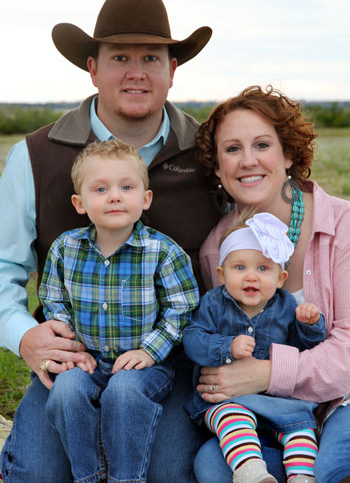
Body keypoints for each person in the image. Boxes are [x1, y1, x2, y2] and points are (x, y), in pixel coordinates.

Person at [0, 0, 221, 483]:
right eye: (119, 56)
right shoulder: (34, 157)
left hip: (172, 360)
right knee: (35, 474)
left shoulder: (211, 154)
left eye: (152, 56)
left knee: (168, 473)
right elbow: (3, 268)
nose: (137, 71)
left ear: (173, 69)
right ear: (93, 67)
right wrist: (25, 337)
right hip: (71, 358)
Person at [191, 85, 350, 482]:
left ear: (289, 154)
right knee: (212, 465)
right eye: (232, 149)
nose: (247, 161)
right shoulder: (218, 249)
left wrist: (268, 372)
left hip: (343, 401)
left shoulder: (342, 226)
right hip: (273, 416)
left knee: (330, 469)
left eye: (262, 144)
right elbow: (219, 333)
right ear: (216, 166)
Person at [40, 139, 199, 482]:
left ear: (145, 198)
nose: (114, 196)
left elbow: (182, 307)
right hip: (87, 359)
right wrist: (71, 350)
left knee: (125, 392)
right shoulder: (66, 249)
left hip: (143, 364)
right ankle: (88, 475)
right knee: (67, 391)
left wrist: (149, 350)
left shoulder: (162, 252)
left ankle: (126, 478)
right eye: (101, 189)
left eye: (126, 187)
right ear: (80, 203)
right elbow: (55, 300)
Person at [183, 212, 326, 483]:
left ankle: (302, 476)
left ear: (281, 278)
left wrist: (310, 325)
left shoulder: (286, 307)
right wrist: (226, 346)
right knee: (232, 419)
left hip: (276, 400)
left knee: (301, 427)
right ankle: (251, 472)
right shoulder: (214, 304)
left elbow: (303, 349)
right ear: (221, 275)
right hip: (228, 400)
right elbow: (192, 339)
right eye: (240, 268)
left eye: (263, 268)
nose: (251, 276)